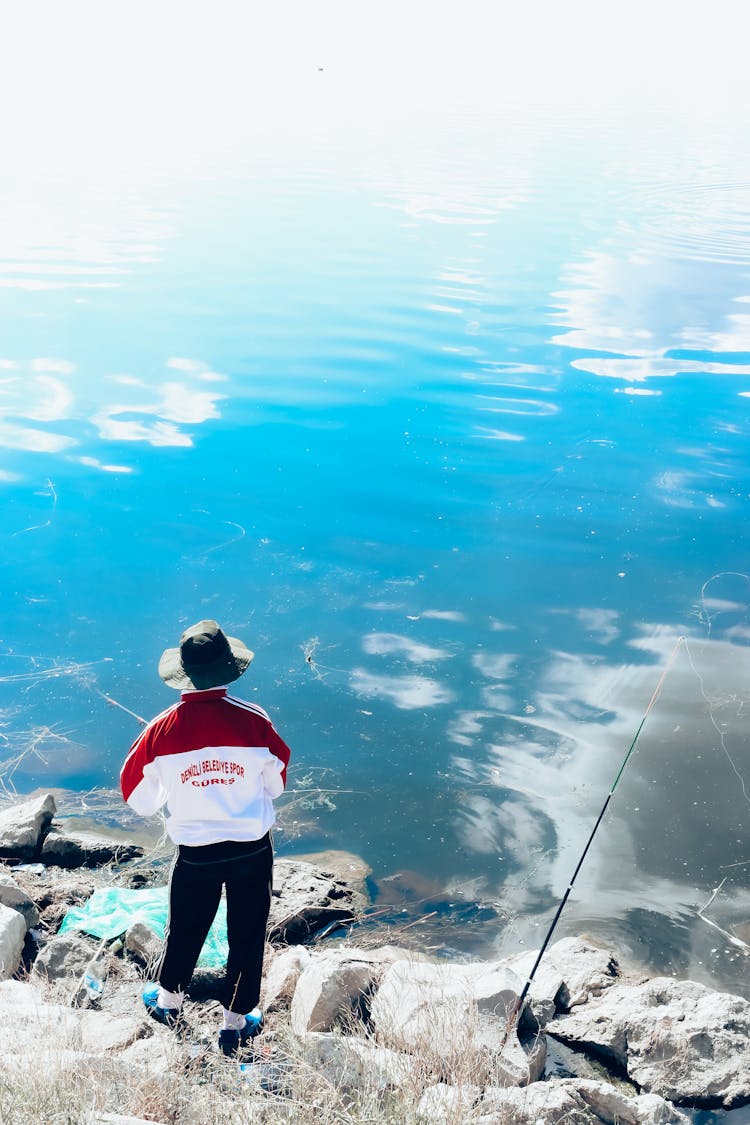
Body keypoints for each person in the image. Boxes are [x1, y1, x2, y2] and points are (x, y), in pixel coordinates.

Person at [119, 619, 291, 1056]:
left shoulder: (161, 729)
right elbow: (277, 782)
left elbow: (136, 796)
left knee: (186, 928)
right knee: (248, 932)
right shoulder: (256, 722)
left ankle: (170, 1002)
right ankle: (235, 1023)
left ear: (183, 672)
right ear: (228, 668)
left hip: (196, 853)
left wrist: (175, 784)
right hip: (252, 849)